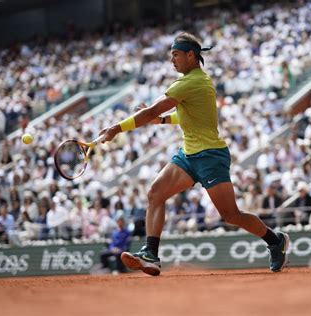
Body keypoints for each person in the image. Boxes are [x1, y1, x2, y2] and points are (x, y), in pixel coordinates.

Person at [99, 32, 289, 276]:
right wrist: (164, 119)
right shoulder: (194, 83)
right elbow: (187, 115)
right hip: (188, 155)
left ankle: (276, 241)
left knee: (231, 215)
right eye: (171, 56)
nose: (172, 60)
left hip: (211, 156)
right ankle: (151, 255)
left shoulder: (192, 82)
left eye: (176, 55)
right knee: (155, 193)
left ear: (191, 55)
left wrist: (116, 128)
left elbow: (150, 111)